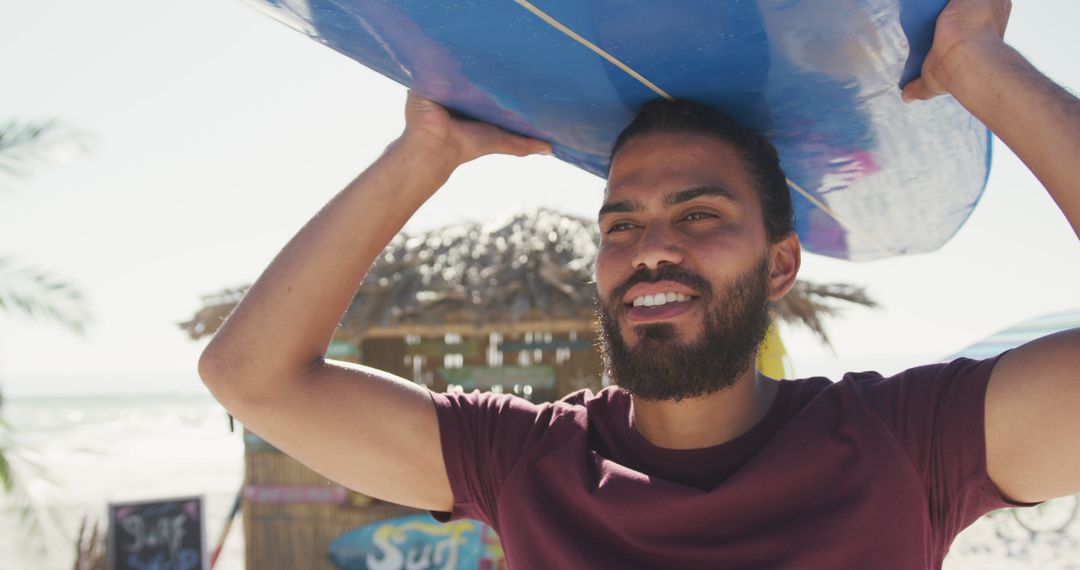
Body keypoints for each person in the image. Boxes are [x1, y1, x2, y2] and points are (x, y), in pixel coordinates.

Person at [199, 0, 1080, 567]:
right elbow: (251, 377)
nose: (651, 248)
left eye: (699, 215)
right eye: (621, 224)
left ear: (781, 264)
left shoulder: (909, 445)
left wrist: (976, 66)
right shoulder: (527, 460)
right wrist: (420, 155)